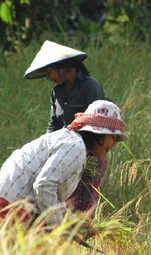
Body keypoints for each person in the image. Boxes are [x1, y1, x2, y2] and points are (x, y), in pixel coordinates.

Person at [0, 100, 127, 233]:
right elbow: (44, 185)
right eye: (113, 137)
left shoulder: (72, 143)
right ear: (99, 134)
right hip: (12, 205)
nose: (114, 144)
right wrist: (59, 228)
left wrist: (73, 222)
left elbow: (52, 195)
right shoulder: (75, 147)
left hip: (10, 200)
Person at [24, 40, 106, 217]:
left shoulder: (91, 86)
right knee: (64, 199)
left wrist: (87, 150)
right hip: (65, 152)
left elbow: (99, 122)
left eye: (49, 72)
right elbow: (54, 124)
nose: (48, 77)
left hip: (90, 153)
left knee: (84, 203)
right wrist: (45, 149)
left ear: (62, 67)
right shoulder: (56, 92)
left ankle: (80, 232)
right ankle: (64, 234)